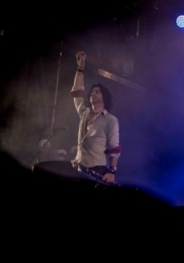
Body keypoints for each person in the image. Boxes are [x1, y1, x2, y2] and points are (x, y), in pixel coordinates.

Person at [33, 51, 121, 185]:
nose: (92, 93)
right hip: (78, 165)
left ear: (104, 97)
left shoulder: (110, 120)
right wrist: (81, 66)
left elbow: (114, 148)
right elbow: (77, 92)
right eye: (92, 92)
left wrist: (112, 172)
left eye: (97, 92)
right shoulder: (84, 113)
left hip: (96, 169)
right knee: (40, 168)